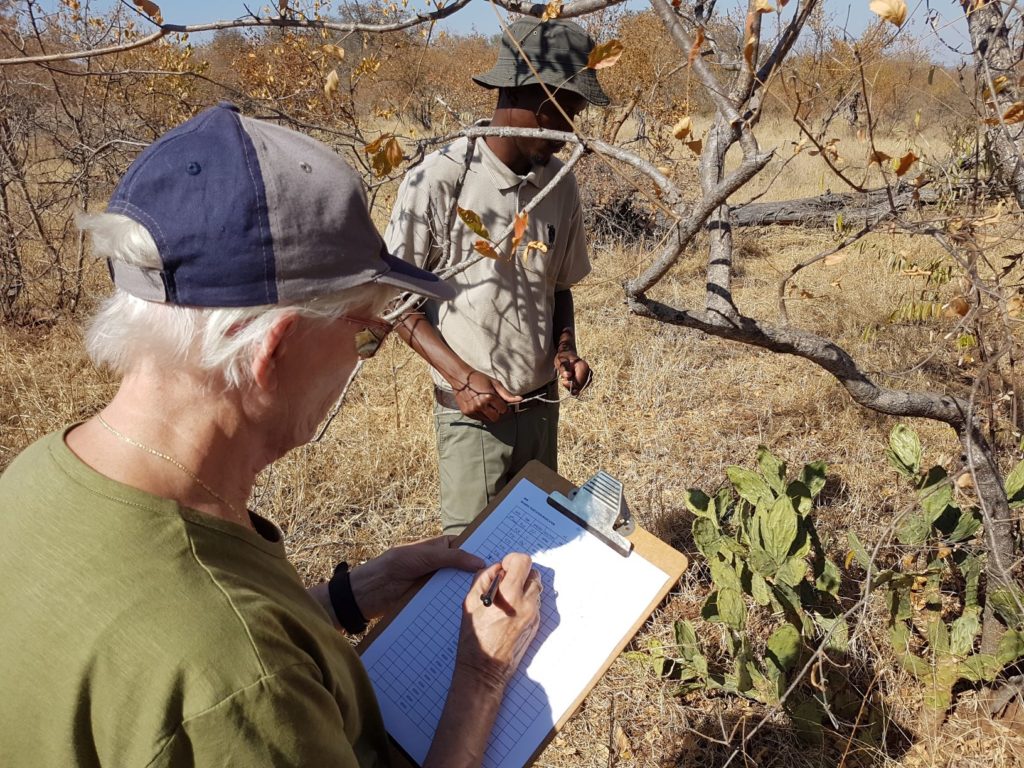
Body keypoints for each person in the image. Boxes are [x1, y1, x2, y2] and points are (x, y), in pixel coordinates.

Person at [0, 103, 541, 768]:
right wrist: (483, 679)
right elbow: (222, 675)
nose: (362, 358)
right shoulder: (238, 681)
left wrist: (346, 598)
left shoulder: (38, 474)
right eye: (366, 333)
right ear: (274, 351)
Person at [385, 17, 610, 536]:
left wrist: (566, 349)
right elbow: (394, 301)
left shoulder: (559, 183)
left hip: (542, 407)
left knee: (540, 543)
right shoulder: (441, 178)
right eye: (562, 116)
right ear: (525, 93)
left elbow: (558, 287)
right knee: (471, 559)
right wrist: (463, 378)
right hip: (472, 418)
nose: (568, 135)